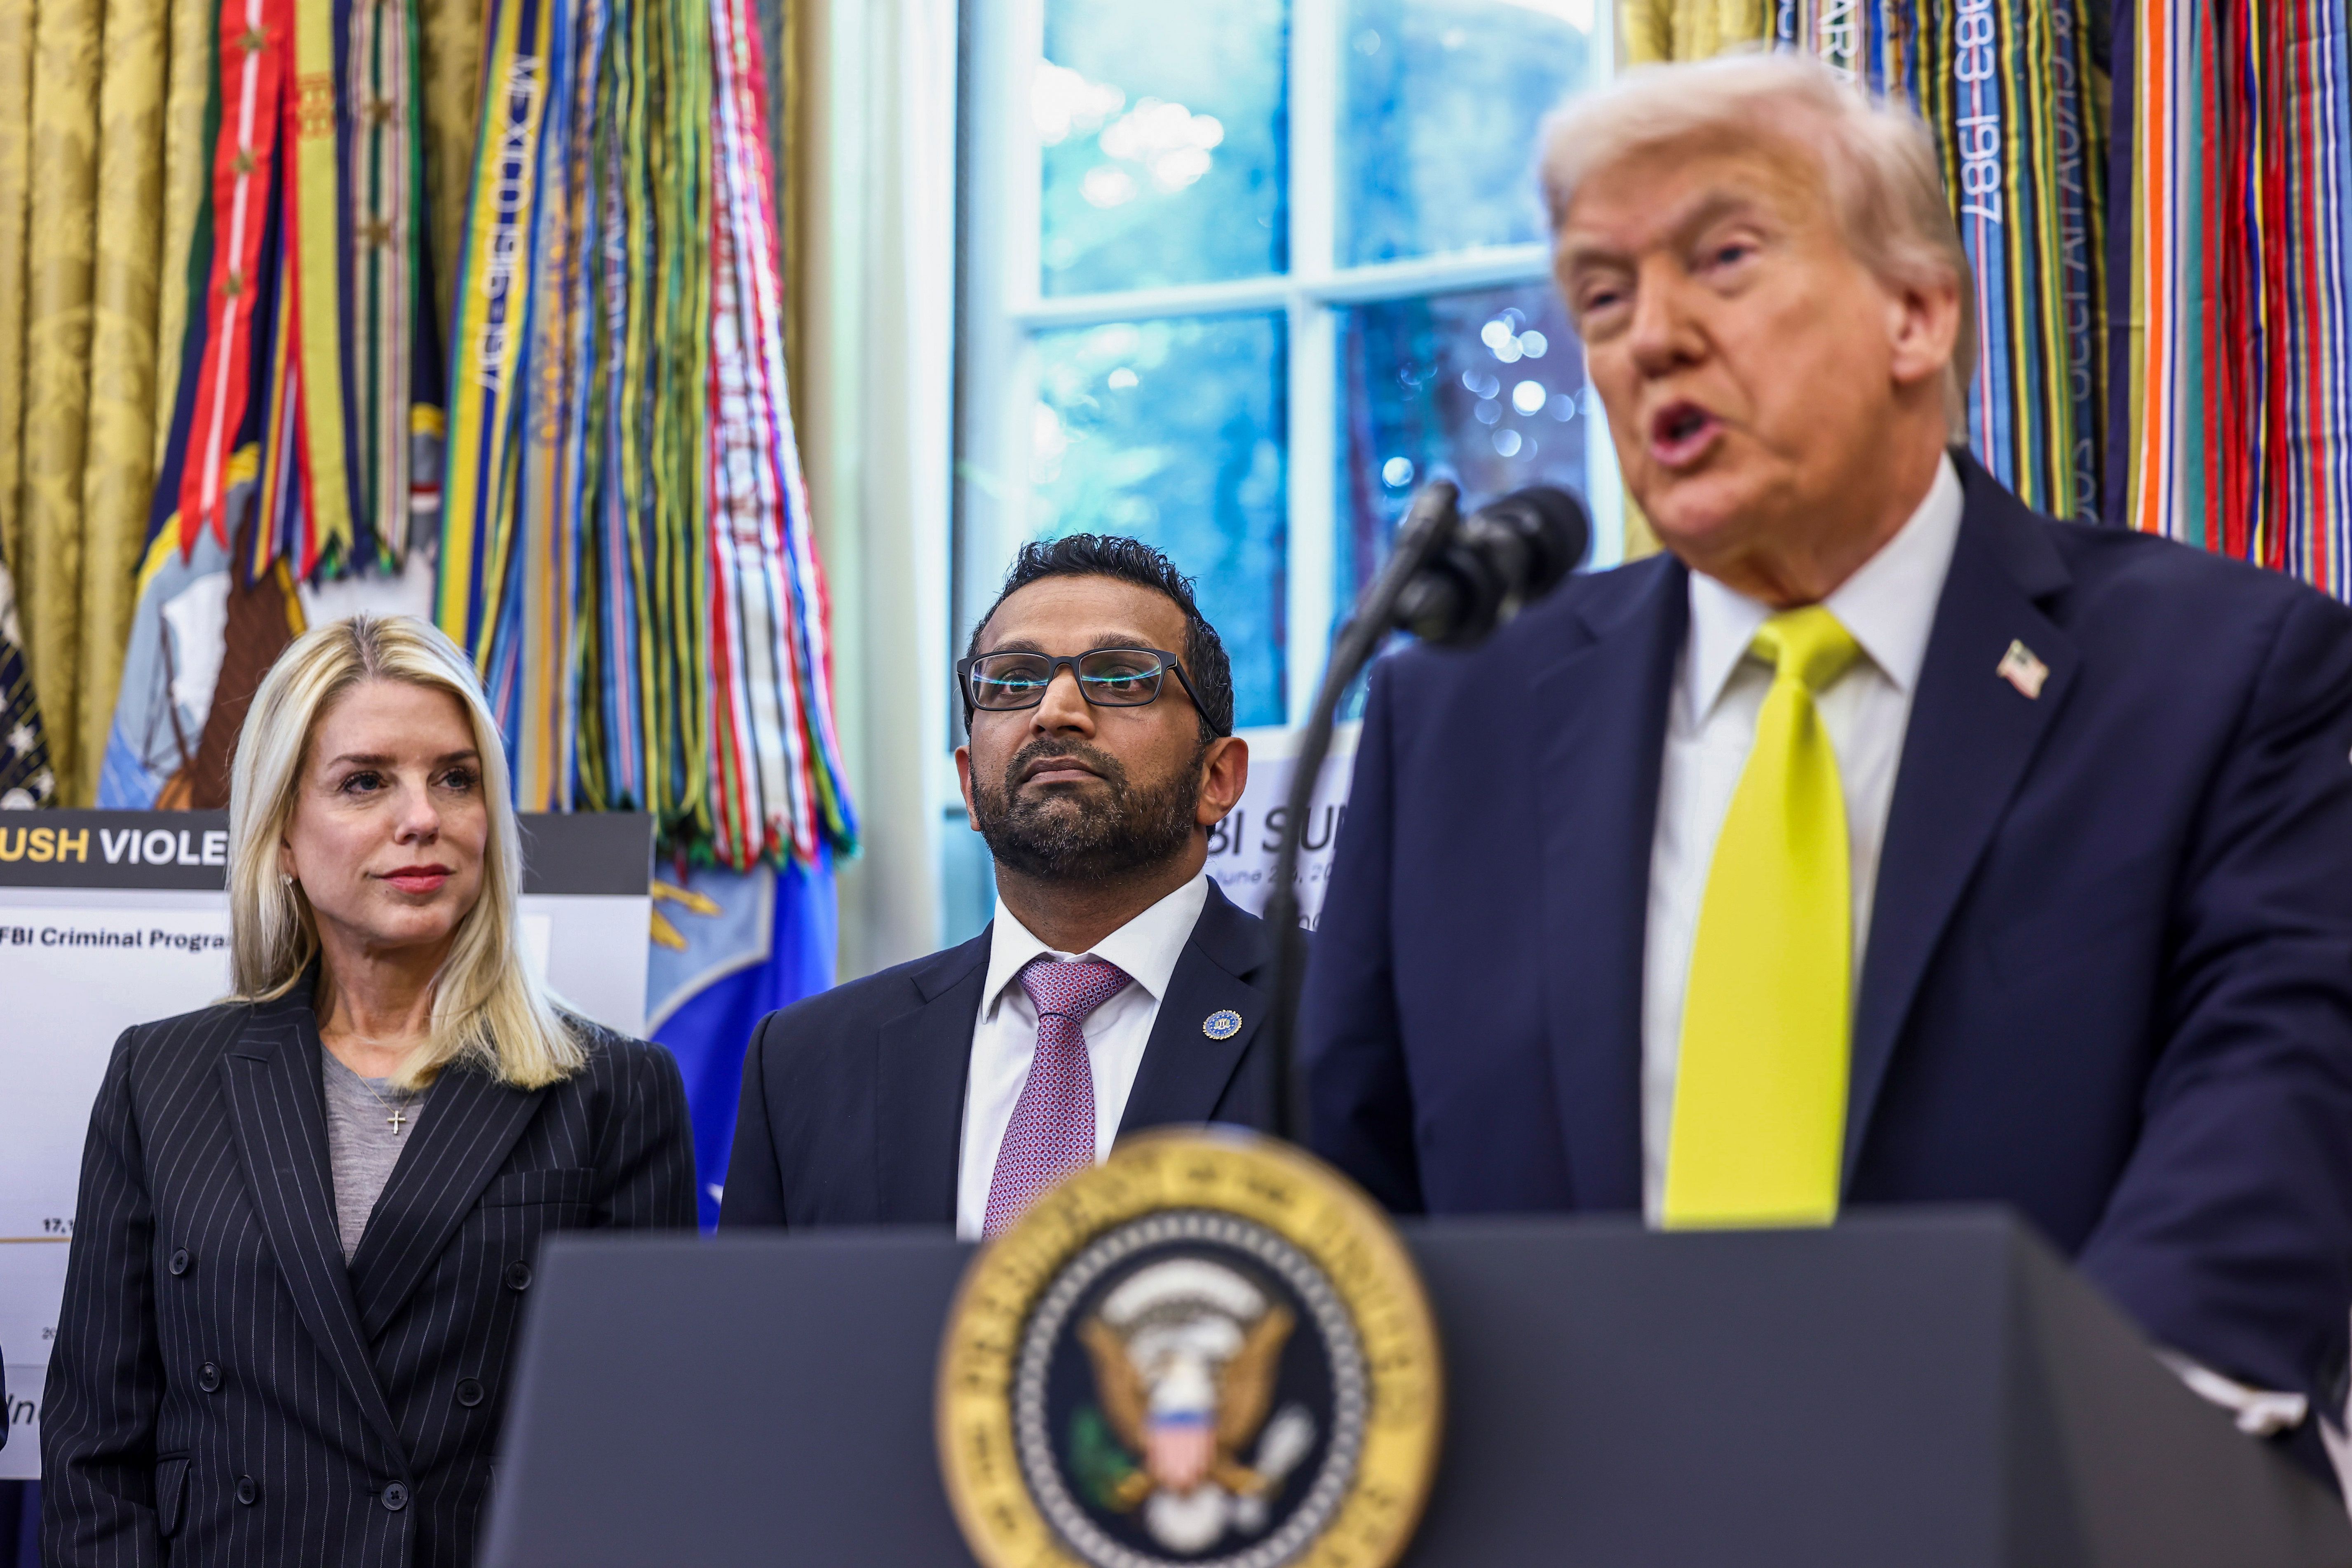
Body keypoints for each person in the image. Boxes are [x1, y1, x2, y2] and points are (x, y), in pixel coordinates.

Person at [1301, 52, 2352, 1479]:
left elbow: (2275, 1104)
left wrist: (2058, 1469)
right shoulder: (1455, 719)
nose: (1650, 336)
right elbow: (1351, 1183)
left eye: (1723, 259)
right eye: (1600, 295)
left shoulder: (2224, 673)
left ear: (1916, 311)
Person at [42, 615, 694, 1566]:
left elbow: (646, 1454)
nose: (423, 817)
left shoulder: (614, 1089)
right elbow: (93, 1458)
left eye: (456, 778)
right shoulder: (159, 1078)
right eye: (366, 782)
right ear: (282, 835)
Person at [725, 536, 1277, 1236]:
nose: (1055, 710)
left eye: (1120, 677)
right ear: (969, 787)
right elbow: (760, 1310)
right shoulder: (805, 1059)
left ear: (1217, 777)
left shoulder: (1340, 1023)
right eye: (1014, 682)